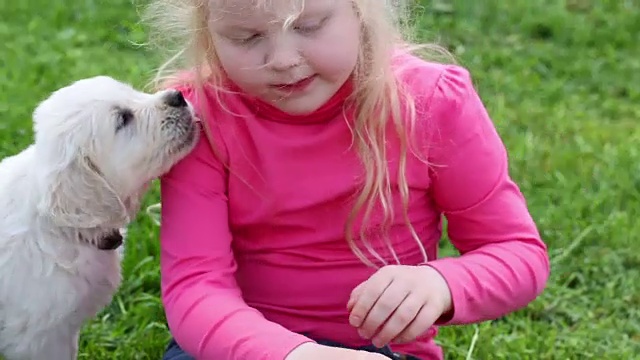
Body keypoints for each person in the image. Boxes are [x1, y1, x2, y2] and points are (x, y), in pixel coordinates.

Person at [143, 0, 550, 359]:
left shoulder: (432, 102)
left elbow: (517, 253)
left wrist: (441, 283)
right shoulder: (199, 118)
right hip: (241, 349)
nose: (282, 59)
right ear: (208, 34)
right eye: (246, 37)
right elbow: (196, 289)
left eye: (309, 26)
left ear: (361, 9)